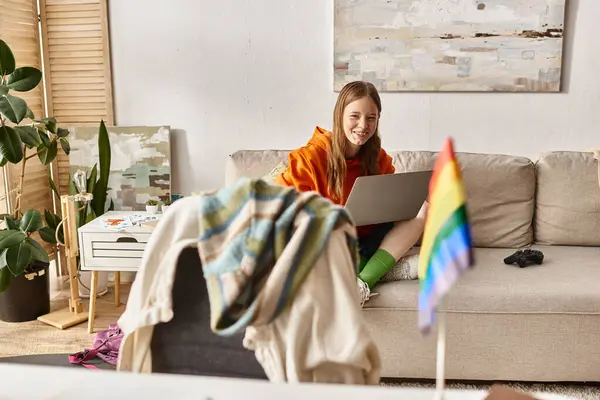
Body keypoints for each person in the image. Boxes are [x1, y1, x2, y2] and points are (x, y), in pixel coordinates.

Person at [275, 80, 429, 306]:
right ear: (340, 116)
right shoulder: (310, 158)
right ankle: (382, 269)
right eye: (354, 116)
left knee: (424, 207)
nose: (362, 125)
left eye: (371, 118)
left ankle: (363, 283)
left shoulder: (378, 157)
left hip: (367, 237)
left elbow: (392, 205)